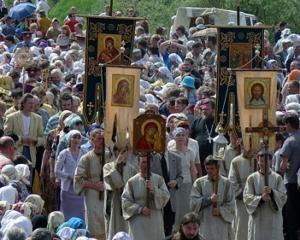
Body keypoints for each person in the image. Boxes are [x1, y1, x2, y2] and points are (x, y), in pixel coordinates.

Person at [122, 155, 170, 240]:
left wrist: (154, 190)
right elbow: (125, 202)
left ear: (151, 163)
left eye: (148, 162)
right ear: (138, 163)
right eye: (143, 162)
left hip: (154, 221)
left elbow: (166, 197)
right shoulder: (131, 182)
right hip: (138, 223)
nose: (145, 165)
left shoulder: (159, 179)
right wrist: (140, 209)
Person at [4, 93, 45, 193]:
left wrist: (35, 141)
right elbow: (6, 136)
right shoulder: (11, 117)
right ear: (23, 103)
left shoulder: (38, 118)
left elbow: (43, 138)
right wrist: (21, 139)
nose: (32, 106)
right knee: (14, 178)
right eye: (29, 103)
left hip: (31, 152)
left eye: (34, 104)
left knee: (28, 179)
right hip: (15, 152)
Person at [243, 151, 287, 240]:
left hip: (273, 220)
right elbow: (246, 197)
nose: (263, 164)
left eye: (265, 161)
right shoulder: (251, 178)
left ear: (270, 161)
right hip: (258, 220)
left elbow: (283, 197)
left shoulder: (277, 178)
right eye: (261, 161)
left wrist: (272, 193)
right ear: (258, 161)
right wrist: (260, 199)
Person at [190, 156, 235, 240]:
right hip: (206, 223)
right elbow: (193, 203)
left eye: (212, 168)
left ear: (218, 168)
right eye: (207, 168)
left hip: (221, 223)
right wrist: (209, 200)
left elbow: (232, 204)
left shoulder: (227, 183)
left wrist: (220, 211)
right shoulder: (199, 183)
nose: (209, 171)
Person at [74, 128, 106, 239]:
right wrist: (95, 186)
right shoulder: (86, 159)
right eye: (99, 139)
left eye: (103, 139)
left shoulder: (109, 156)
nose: (101, 142)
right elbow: (78, 179)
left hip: (107, 195)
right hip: (92, 196)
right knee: (94, 226)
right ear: (92, 140)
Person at [103, 145, 138, 240]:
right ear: (114, 152)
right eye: (118, 150)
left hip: (128, 204)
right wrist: (117, 164)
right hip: (115, 202)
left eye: (124, 151)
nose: (121, 154)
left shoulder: (133, 168)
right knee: (114, 228)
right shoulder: (108, 167)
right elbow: (113, 183)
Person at [151, 145, 183, 237]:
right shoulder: (151, 158)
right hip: (157, 198)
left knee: (169, 227)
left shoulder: (176, 158)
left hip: (171, 198)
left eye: (164, 140)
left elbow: (181, 176)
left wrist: (176, 182)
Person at [55, 130, 86, 220]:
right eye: (74, 137)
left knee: (81, 214)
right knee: (67, 214)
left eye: (79, 137)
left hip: (80, 189)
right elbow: (57, 171)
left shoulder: (84, 152)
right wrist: (69, 176)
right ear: (69, 139)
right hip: (67, 189)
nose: (76, 140)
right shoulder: (64, 153)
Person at [228, 147, 257, 240]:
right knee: (242, 228)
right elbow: (232, 182)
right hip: (241, 203)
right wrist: (243, 196)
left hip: (257, 202)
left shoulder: (259, 160)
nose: (249, 148)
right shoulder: (235, 161)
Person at [279, 113, 300, 240]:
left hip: (291, 182)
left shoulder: (290, 141)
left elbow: (283, 165)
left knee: (291, 216)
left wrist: (282, 169)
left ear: (288, 124)